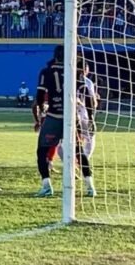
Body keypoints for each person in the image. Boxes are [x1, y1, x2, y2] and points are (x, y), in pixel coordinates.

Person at [32, 46, 95, 197]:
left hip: (54, 116)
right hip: (72, 118)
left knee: (42, 151)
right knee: (78, 151)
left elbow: (40, 95)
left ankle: (46, 186)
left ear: (55, 56)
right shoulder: (75, 72)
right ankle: (90, 186)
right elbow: (88, 97)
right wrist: (91, 117)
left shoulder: (46, 72)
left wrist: (41, 111)